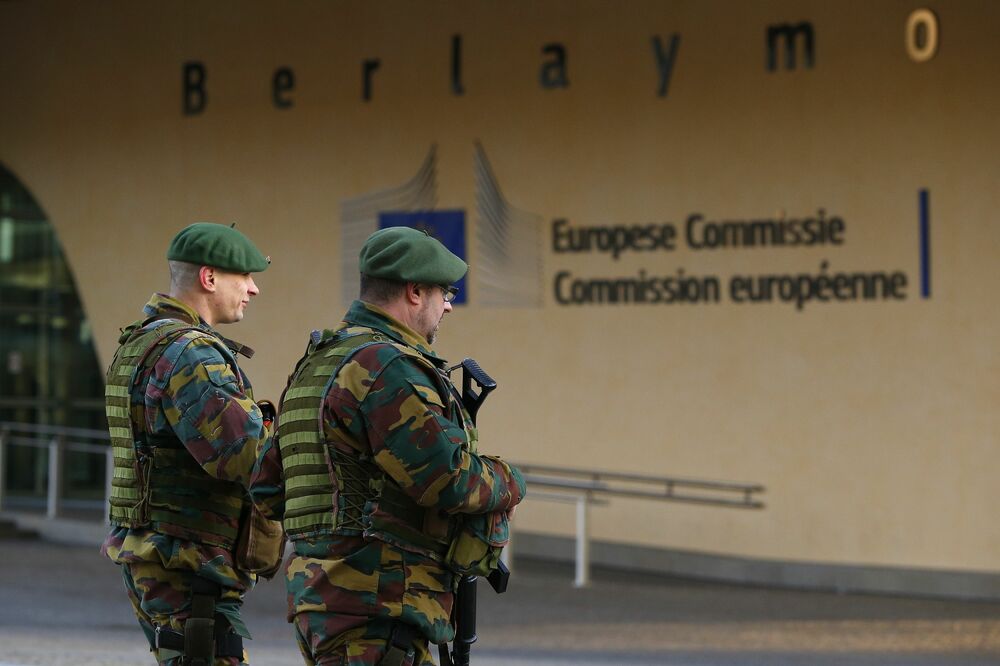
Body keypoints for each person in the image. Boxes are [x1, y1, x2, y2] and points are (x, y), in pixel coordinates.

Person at [272, 226, 526, 665]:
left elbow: (267, 484)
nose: (448, 305)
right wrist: (511, 480)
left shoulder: (317, 363)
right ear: (413, 292)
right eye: (443, 292)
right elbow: (448, 479)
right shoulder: (386, 366)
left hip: (325, 599)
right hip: (377, 603)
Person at [101, 222, 284, 666]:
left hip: (162, 554)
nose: (254, 289)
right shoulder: (191, 354)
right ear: (209, 278)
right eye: (244, 276)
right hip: (188, 563)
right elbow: (245, 456)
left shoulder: (141, 340)